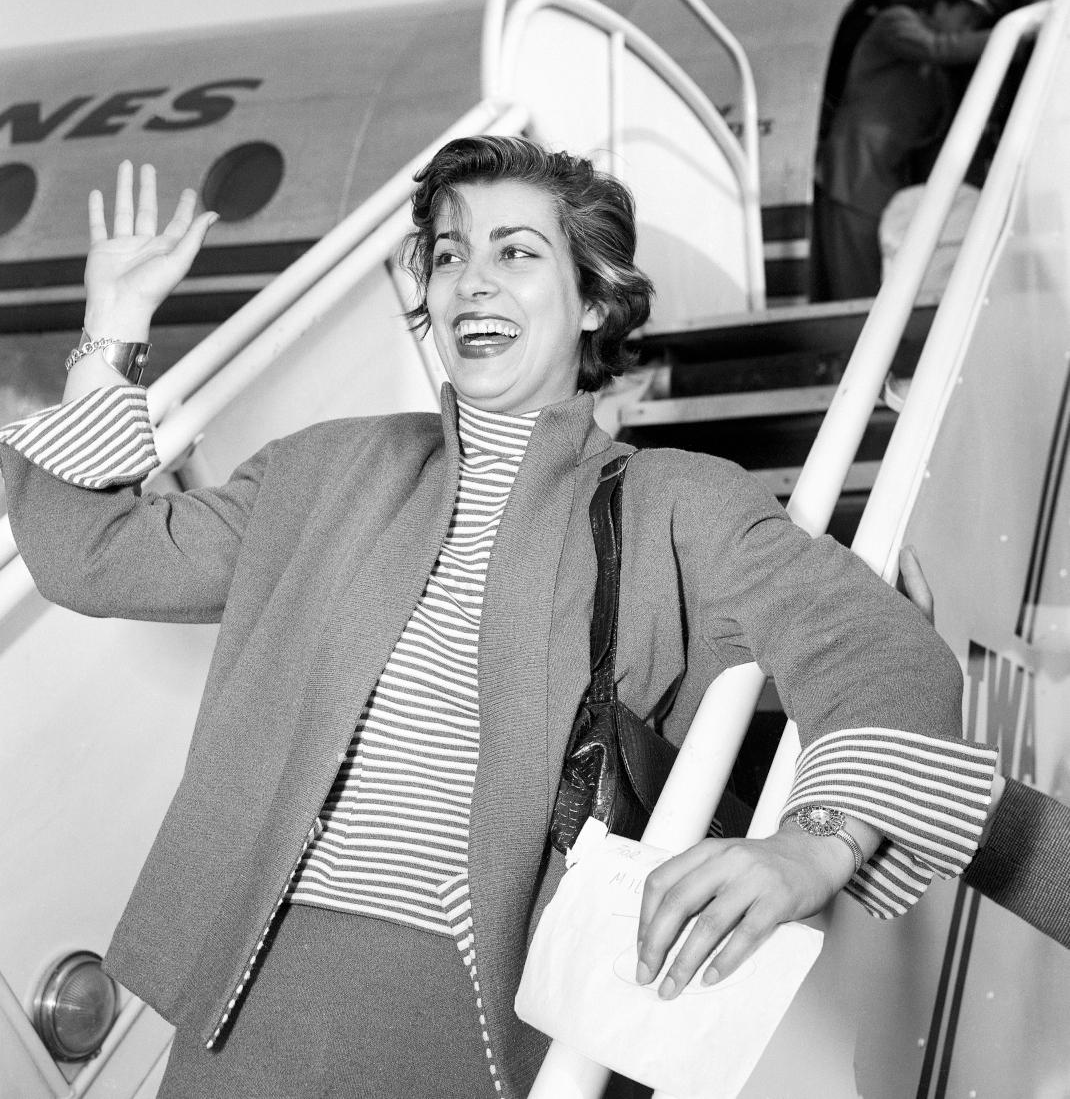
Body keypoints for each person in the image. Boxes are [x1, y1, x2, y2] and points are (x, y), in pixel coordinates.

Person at [1, 138, 1000, 1099]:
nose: (471, 282)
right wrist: (113, 321)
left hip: (472, 1016)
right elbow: (95, 556)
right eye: (448, 255)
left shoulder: (678, 502)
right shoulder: (324, 466)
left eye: (515, 253)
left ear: (593, 298)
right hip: (248, 992)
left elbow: (880, 649)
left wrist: (813, 843)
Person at [810, 0, 1013, 302]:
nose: (967, 30)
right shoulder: (897, 22)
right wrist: (1011, 35)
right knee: (860, 285)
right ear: (942, 7)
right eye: (966, 19)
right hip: (856, 171)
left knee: (887, 273)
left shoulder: (937, 76)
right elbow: (940, 47)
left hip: (889, 175)